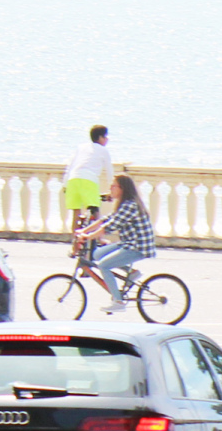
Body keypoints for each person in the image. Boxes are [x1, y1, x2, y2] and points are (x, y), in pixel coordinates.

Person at [85, 174, 156, 315]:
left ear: (122, 189)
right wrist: (83, 230)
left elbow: (110, 226)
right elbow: (106, 219)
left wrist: (88, 236)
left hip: (138, 247)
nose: (110, 188)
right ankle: (132, 273)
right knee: (97, 254)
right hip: (128, 243)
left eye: (114, 186)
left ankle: (118, 302)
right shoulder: (123, 204)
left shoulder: (130, 205)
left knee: (103, 265)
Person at [65, 124, 111, 232]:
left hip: (73, 179)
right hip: (89, 180)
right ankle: (99, 238)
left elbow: (70, 165)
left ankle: (75, 244)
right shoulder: (103, 150)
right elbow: (109, 171)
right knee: (95, 211)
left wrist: (65, 184)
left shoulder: (81, 147)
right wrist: (111, 189)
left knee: (76, 213)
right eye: (105, 137)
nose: (107, 139)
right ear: (100, 138)